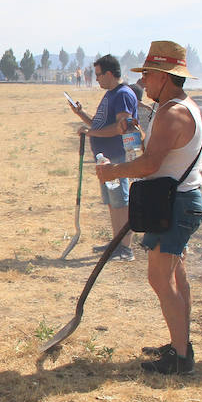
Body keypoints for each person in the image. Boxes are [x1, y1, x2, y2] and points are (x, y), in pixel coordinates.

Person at [97, 41, 202, 375]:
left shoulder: (173, 112)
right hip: (177, 201)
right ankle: (180, 343)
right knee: (175, 275)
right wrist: (137, 134)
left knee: (160, 278)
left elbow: (149, 164)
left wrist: (113, 172)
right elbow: (158, 153)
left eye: (148, 74)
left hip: (176, 204)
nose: (143, 81)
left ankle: (181, 356)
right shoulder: (176, 107)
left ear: (164, 76)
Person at [67, 54, 138, 261]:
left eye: (98, 75)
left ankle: (125, 248)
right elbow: (99, 125)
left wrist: (90, 133)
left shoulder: (122, 94)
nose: (96, 78)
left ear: (109, 73)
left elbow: (120, 128)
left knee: (120, 202)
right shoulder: (111, 94)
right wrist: (81, 114)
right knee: (112, 201)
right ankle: (117, 243)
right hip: (106, 159)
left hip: (117, 157)